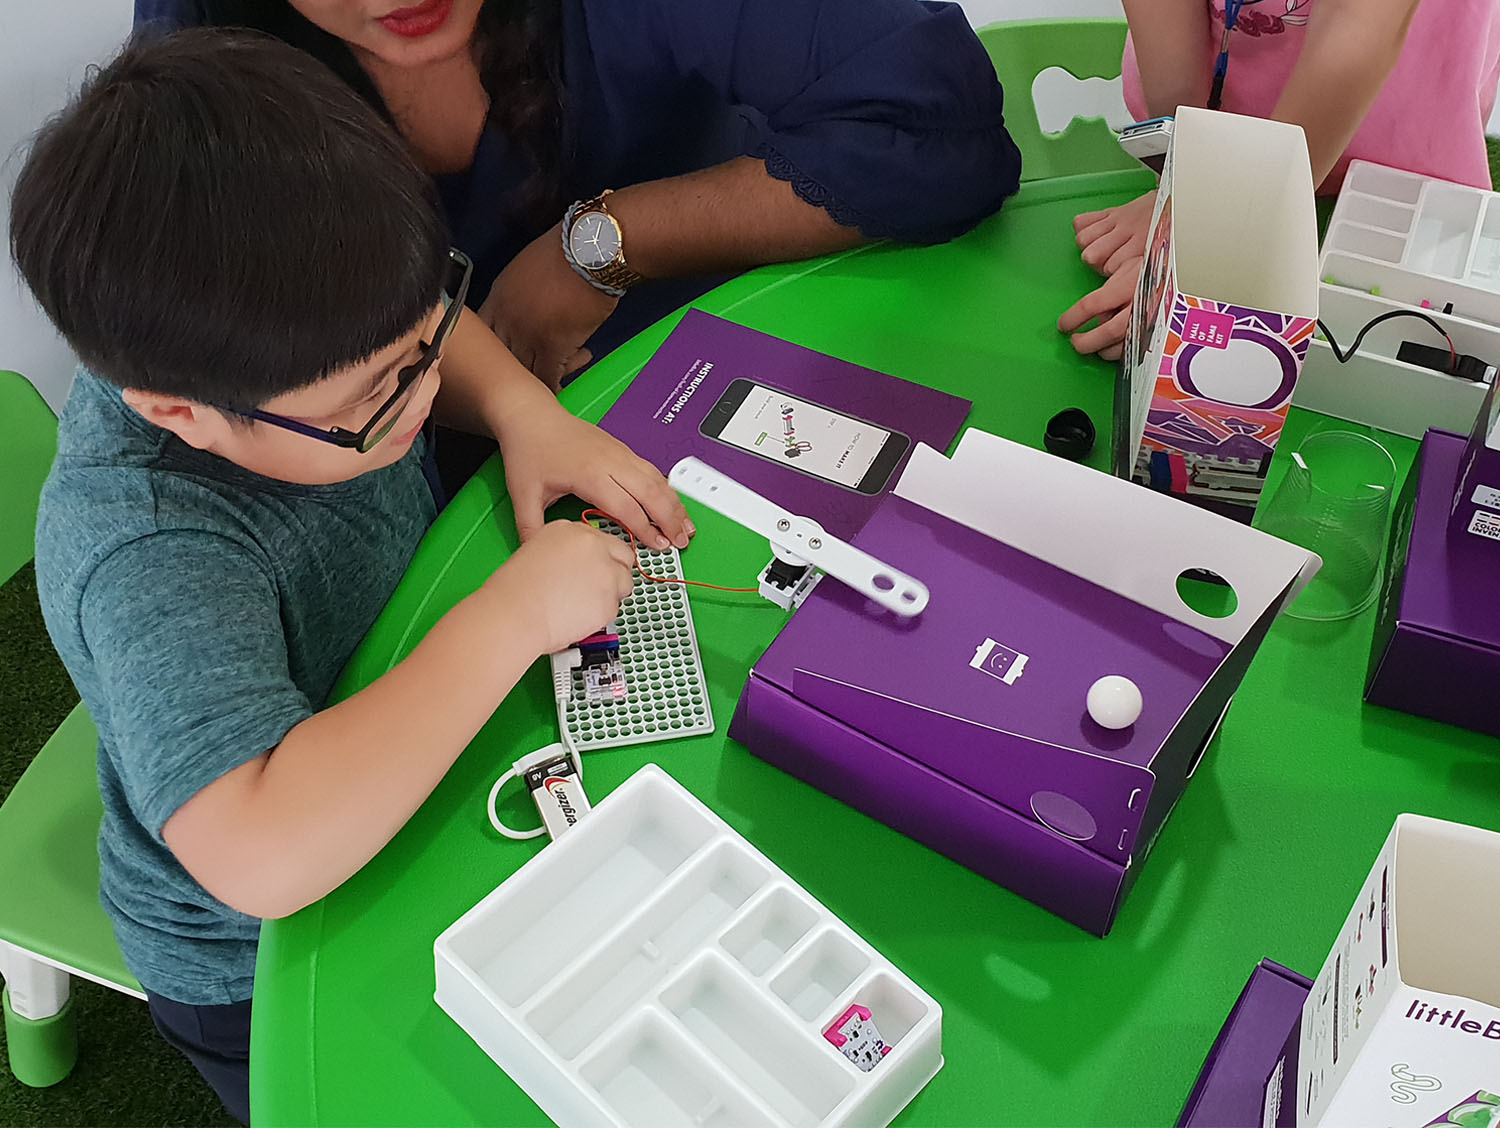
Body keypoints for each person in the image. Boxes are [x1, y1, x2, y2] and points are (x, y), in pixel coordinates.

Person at [11, 30, 693, 1122]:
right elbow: (261, 850)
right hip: (261, 958)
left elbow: (419, 334)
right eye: (372, 400)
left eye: (419, 341)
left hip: (398, 722)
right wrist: (511, 616)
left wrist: (526, 412)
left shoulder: (299, 342)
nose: (420, 394)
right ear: (181, 414)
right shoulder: (149, 552)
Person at [133, 0, 1023, 393]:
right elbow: (212, 306)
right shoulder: (198, 50)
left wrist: (604, 245)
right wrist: (491, 395)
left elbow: (940, 139)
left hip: (711, 356)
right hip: (400, 436)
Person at [1059, 0, 1500, 361]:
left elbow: (1358, 29)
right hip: (1236, 109)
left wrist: (1220, 248)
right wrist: (1187, 183)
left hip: (1399, 120)